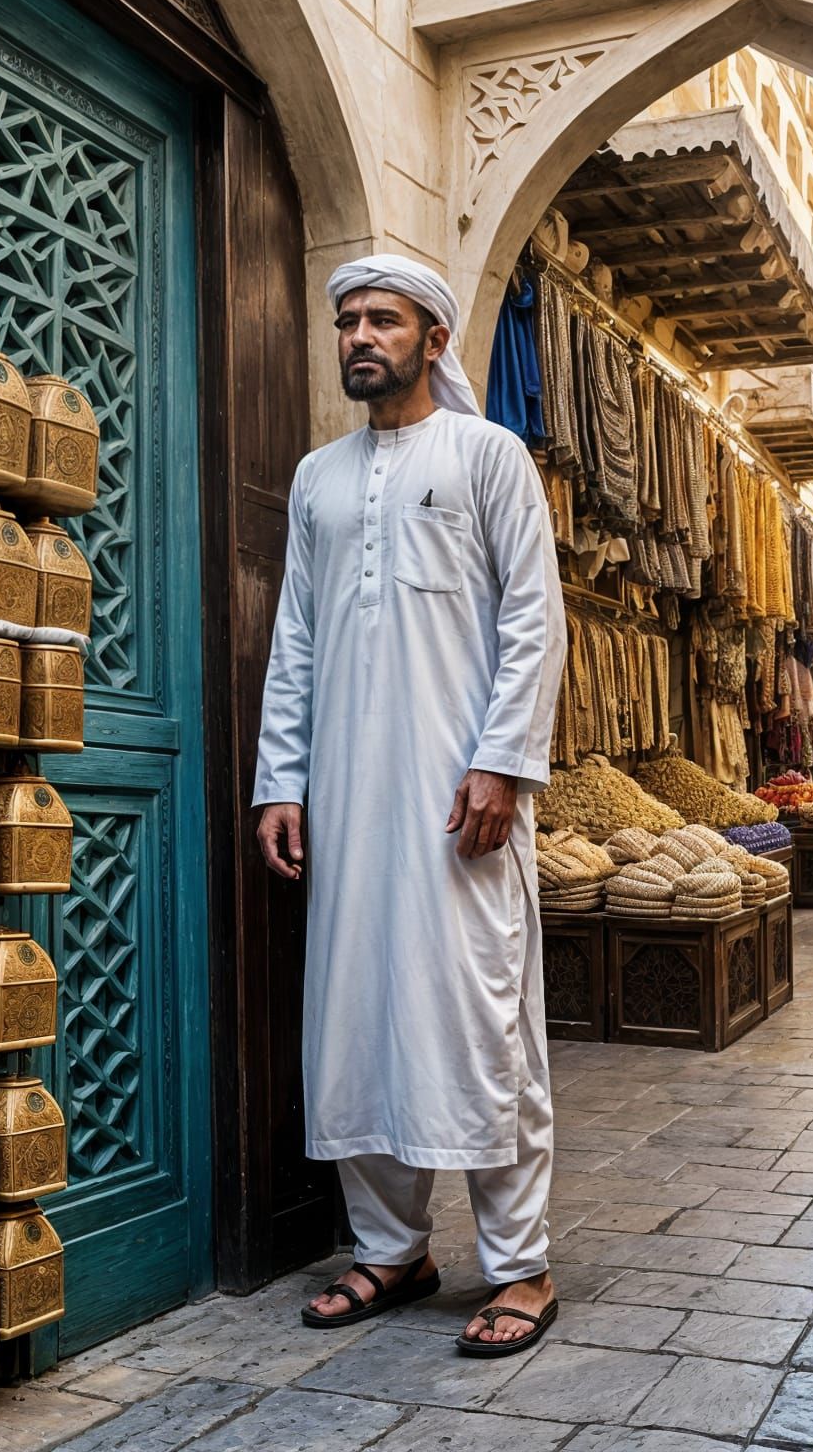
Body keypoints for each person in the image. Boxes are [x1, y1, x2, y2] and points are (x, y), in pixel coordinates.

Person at [253, 254, 567, 1359]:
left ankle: (521, 1266)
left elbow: (534, 618)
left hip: (461, 806)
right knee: (358, 1019)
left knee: (484, 1026)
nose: (357, 337)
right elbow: (294, 638)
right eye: (345, 321)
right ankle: (392, 1248)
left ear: (434, 337)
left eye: (381, 319)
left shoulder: (488, 458)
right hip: (346, 797)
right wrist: (280, 779)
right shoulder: (317, 479)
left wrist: (501, 764)